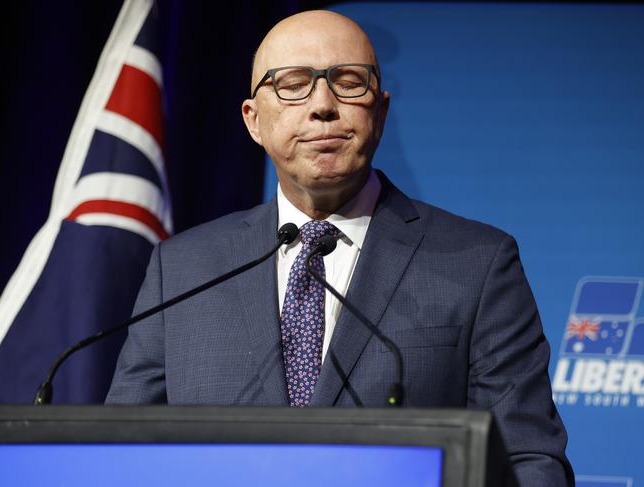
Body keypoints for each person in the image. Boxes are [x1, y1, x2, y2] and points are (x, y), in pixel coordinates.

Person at [107, 10, 574, 485]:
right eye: (292, 84)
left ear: (382, 111)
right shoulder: (183, 268)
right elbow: (119, 454)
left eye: (349, 82)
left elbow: (529, 460)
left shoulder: (478, 263)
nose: (323, 105)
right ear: (253, 120)